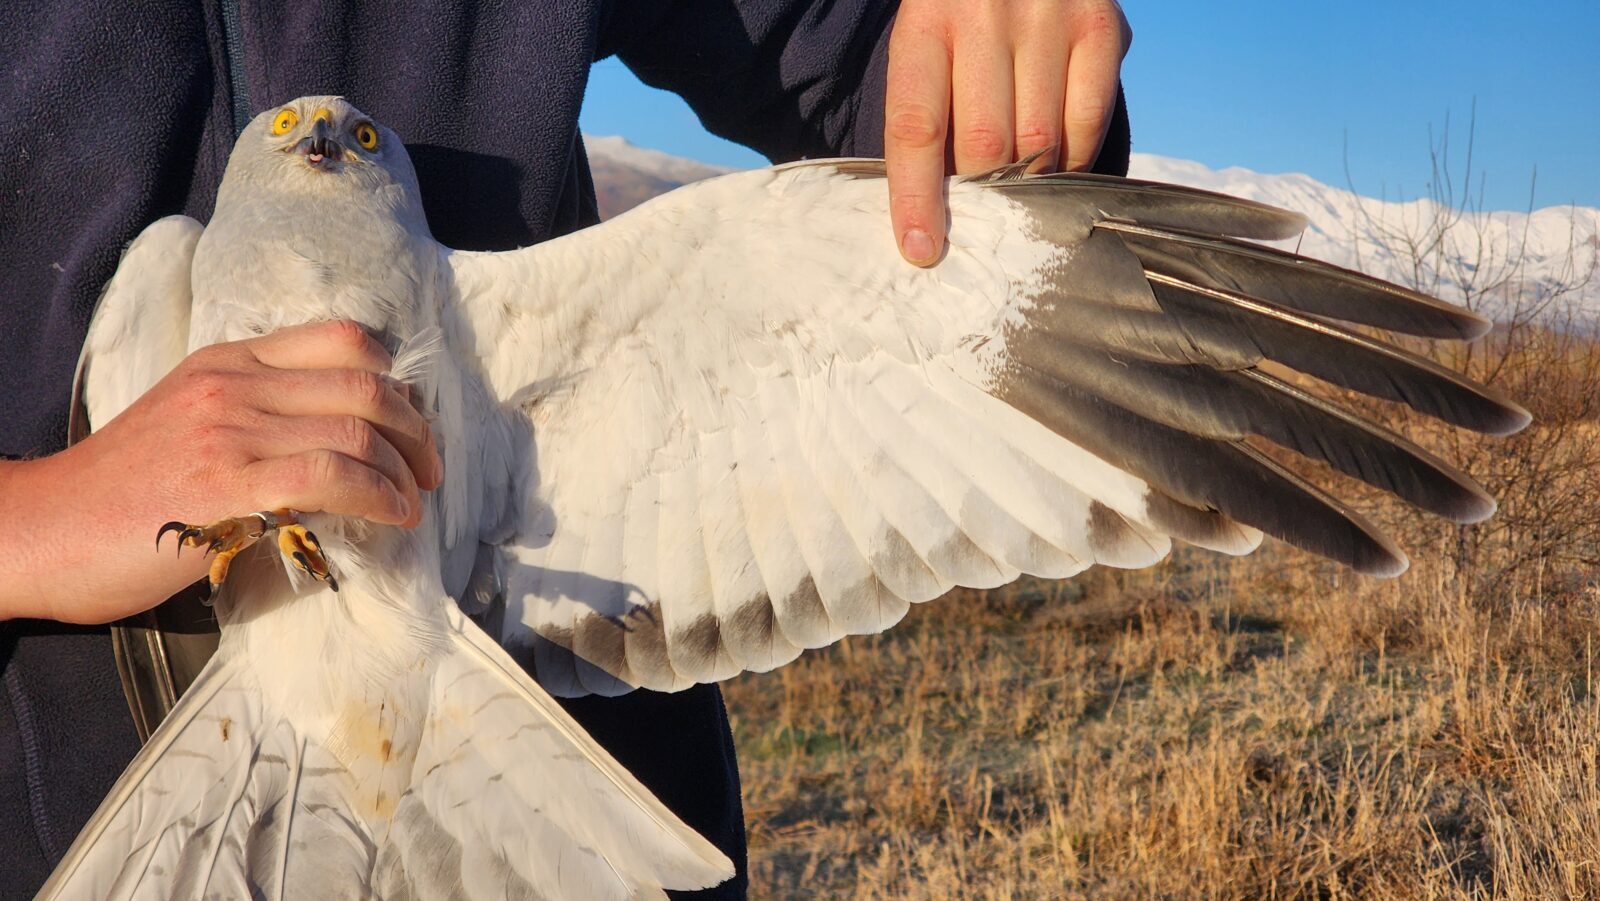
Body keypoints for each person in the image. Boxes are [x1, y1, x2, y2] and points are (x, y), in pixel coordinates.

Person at [0, 1, 1132, 895]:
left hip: (541, 784)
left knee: (806, 234)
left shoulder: (488, 308)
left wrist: (1004, 74)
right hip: (112, 814)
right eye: (293, 136)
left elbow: (881, 68)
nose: (324, 141)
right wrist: (31, 517)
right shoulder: (166, 279)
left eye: (352, 136)